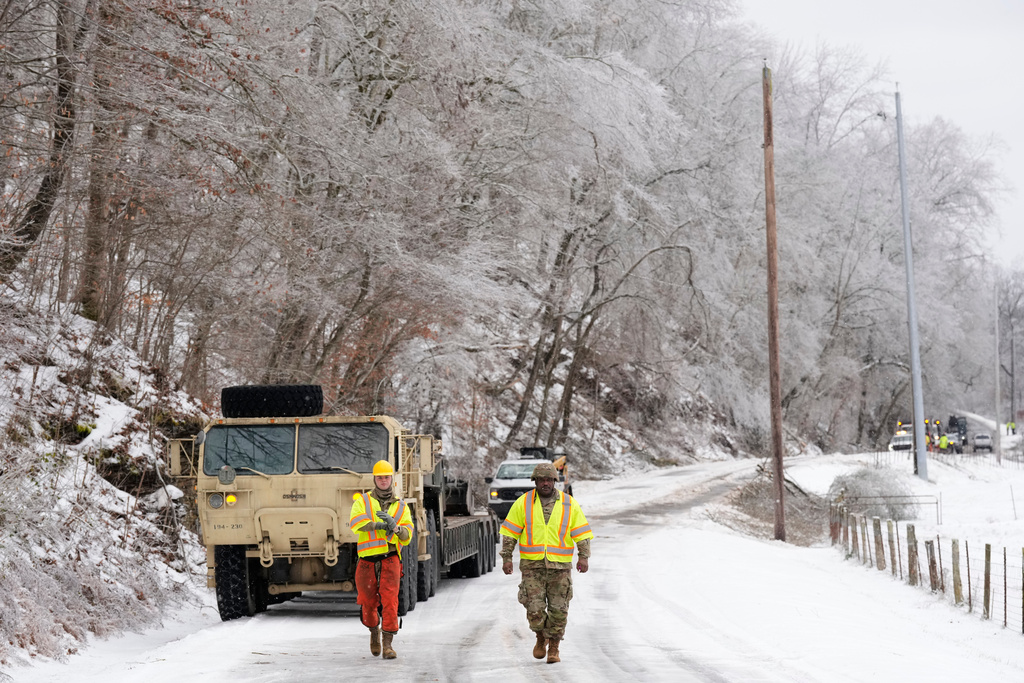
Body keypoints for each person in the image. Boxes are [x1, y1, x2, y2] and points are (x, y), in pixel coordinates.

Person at [500, 461, 593, 664]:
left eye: (549, 479)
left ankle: (554, 648)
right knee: (534, 609)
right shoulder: (523, 503)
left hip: (560, 568)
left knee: (559, 610)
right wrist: (507, 558)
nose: (545, 483)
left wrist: (583, 556)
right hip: (532, 568)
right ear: (535, 481)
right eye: (541, 479)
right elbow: (510, 533)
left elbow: (581, 533)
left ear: (554, 481)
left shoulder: (569, 503)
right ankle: (540, 637)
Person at [348, 460, 414, 659]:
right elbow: (355, 523)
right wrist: (378, 525)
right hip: (367, 561)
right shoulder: (363, 501)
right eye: (380, 477)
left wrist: (395, 527)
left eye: (386, 477)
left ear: (391, 480)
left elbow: (407, 534)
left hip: (390, 559)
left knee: (390, 602)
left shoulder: (401, 507)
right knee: (368, 602)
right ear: (375, 479)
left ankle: (388, 645)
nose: (383, 480)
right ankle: (373, 633)